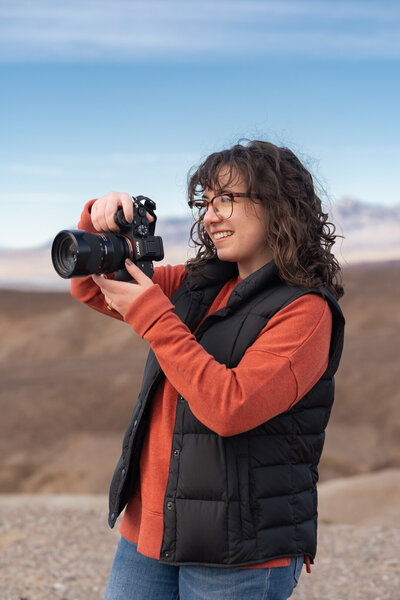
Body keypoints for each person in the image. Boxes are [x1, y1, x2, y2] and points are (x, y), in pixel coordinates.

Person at [71, 140, 345, 600]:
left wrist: (156, 317)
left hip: (240, 550)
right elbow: (92, 287)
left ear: (279, 205)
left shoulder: (306, 312)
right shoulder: (196, 286)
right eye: (206, 203)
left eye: (227, 200)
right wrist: (99, 221)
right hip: (150, 532)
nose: (210, 216)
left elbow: (230, 407)